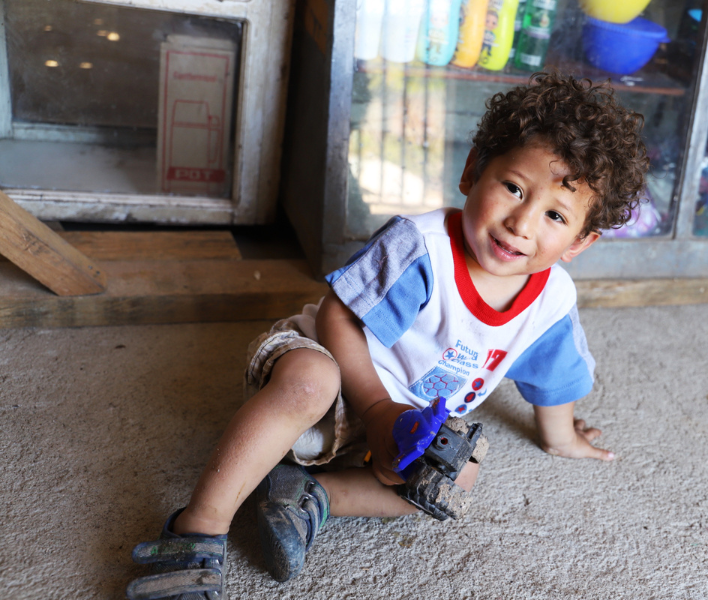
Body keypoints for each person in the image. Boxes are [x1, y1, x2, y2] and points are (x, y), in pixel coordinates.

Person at [124, 71, 649, 599]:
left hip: (401, 423)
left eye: (555, 215)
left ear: (580, 242)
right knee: (310, 379)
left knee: (457, 477)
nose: (521, 222)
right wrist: (375, 409)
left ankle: (311, 497)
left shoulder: (552, 300)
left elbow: (552, 376)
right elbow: (339, 318)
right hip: (328, 382)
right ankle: (197, 530)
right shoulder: (422, 247)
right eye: (513, 187)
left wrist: (560, 439)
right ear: (471, 172)